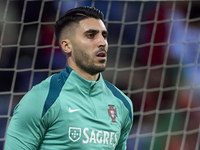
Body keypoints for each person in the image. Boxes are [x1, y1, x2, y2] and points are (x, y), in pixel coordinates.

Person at [5, 6, 133, 150]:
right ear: (67, 46)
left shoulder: (122, 103)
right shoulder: (42, 99)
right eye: (91, 35)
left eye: (104, 35)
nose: (102, 42)